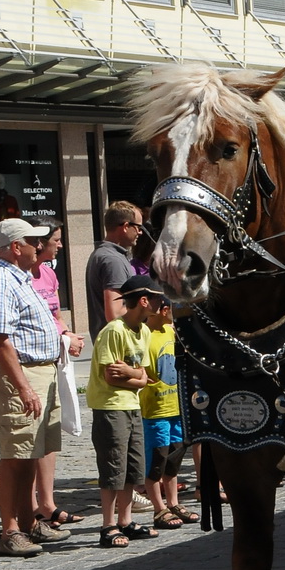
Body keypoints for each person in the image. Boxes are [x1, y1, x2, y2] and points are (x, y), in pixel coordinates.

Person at [0, 218, 69, 557]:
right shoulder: (1, 280)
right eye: (33, 241)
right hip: (21, 375)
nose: (40, 246)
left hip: (38, 372)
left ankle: (28, 522)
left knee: (32, 451)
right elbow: (0, 340)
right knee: (15, 454)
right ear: (16, 247)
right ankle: (9, 529)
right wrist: (24, 387)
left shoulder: (21, 278)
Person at [88, 275, 161, 548]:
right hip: (111, 408)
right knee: (112, 467)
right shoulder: (114, 331)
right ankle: (107, 525)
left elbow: (142, 375)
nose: (160, 302)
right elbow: (111, 376)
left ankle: (125, 521)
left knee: (132, 467)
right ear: (143, 300)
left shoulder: (144, 331)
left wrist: (134, 374)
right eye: (156, 298)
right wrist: (137, 377)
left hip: (132, 405)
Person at [27, 228, 86, 530]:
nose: (61, 245)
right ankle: (30, 507)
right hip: (32, 360)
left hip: (54, 356)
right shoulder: (23, 276)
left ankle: (47, 502)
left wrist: (68, 334)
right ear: (40, 243)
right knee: (31, 436)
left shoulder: (49, 274)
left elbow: (56, 314)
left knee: (51, 433)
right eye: (56, 240)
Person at [140, 292, 197, 528]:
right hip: (155, 410)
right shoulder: (144, 335)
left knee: (174, 458)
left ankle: (173, 502)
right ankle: (158, 508)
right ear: (165, 309)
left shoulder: (172, 331)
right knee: (156, 460)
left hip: (176, 407)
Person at [85, 201, 144, 339]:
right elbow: (115, 313)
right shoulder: (113, 260)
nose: (140, 232)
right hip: (119, 346)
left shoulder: (103, 254)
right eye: (138, 227)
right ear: (125, 226)